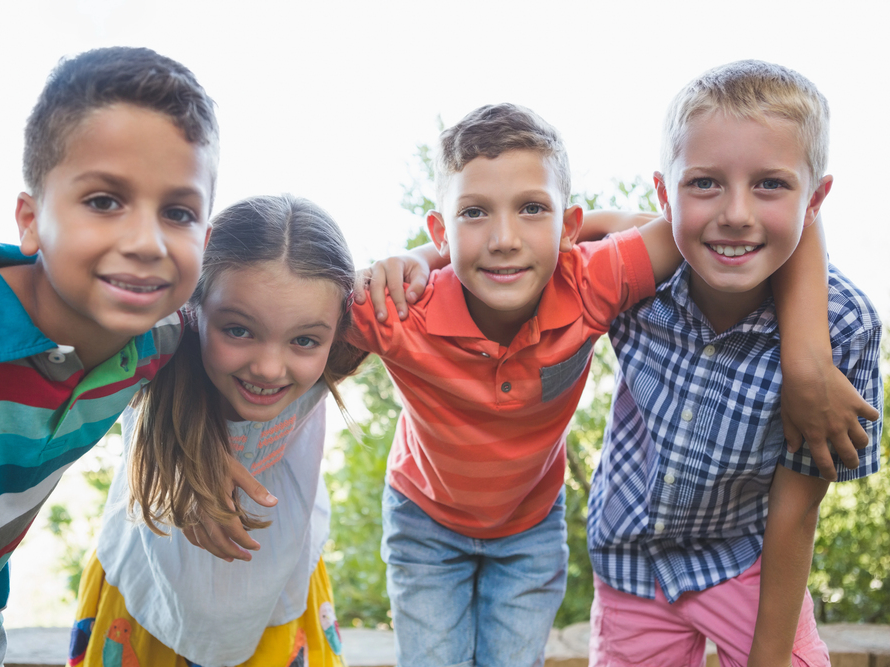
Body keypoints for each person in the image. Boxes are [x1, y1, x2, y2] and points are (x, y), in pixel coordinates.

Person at [348, 102, 875, 667]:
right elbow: (295, 336)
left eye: (532, 208)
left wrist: (805, 355)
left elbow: (763, 221)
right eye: (475, 213)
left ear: (568, 227)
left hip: (570, 530)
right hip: (457, 525)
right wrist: (417, 258)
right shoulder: (401, 308)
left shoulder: (594, 281)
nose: (504, 237)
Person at [0, 47, 220, 664]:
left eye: (178, 212)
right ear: (31, 219)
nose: (146, 243)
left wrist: (423, 261)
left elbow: (303, 310)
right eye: (104, 201)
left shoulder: (164, 338)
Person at [585, 60, 882, 666]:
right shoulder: (632, 280)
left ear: (816, 198)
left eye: (771, 184)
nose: (737, 213)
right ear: (664, 194)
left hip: (749, 563)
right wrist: (427, 255)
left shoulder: (844, 328)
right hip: (631, 563)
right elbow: (541, 240)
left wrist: (768, 659)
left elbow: (798, 506)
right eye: (705, 183)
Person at [66, 194, 368, 667]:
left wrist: (408, 261)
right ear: (193, 309)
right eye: (240, 331)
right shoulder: (150, 352)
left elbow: (450, 272)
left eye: (304, 340)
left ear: (337, 332)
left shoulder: (339, 353)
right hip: (144, 605)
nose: (269, 368)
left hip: (278, 601)